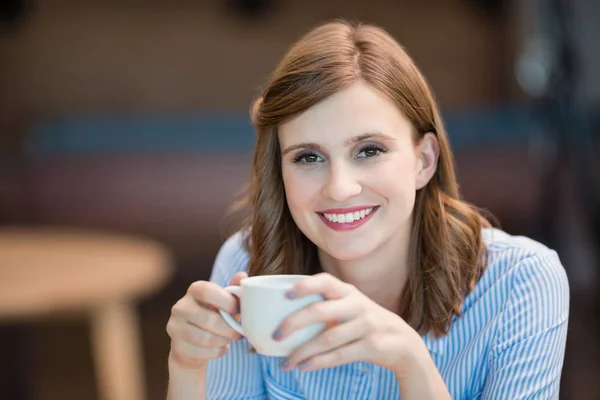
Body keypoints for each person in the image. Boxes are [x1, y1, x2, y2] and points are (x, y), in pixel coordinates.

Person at [166, 20, 569, 400]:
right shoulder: (246, 267)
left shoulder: (522, 282)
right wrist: (186, 367)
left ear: (424, 160)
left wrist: (411, 362)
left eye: (369, 150)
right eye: (308, 157)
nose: (340, 189)